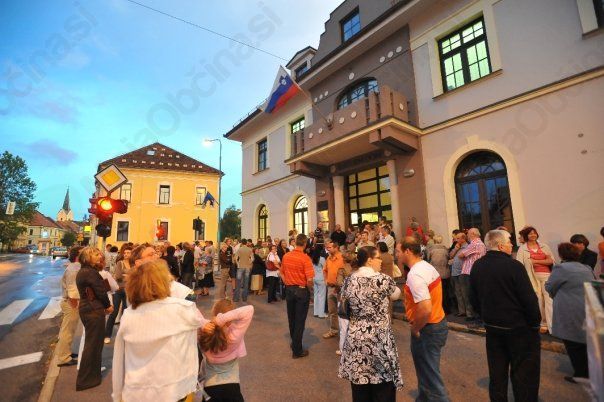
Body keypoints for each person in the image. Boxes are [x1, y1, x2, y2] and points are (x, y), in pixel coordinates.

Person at [111, 259, 203, 402]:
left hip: (136, 391)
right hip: (175, 390)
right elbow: (201, 326)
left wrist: (117, 395)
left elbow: (119, 358)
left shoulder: (128, 315)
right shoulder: (182, 309)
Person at [470, 230, 541, 402]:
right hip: (519, 328)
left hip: (493, 327)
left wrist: (485, 316)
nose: (511, 245)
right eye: (509, 242)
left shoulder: (478, 265)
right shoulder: (514, 266)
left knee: (497, 372)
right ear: (501, 246)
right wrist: (535, 323)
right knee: (524, 373)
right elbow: (528, 298)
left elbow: (473, 297)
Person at [339, 246, 402, 401]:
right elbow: (396, 294)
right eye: (378, 258)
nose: (381, 261)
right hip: (379, 339)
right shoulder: (383, 280)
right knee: (383, 385)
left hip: (356, 338)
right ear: (369, 260)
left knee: (360, 386)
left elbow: (344, 301)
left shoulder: (349, 280)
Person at [398, 238, 449, 401]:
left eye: (398, 251)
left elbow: (425, 308)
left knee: (431, 379)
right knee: (427, 374)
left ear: (407, 251)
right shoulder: (426, 266)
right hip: (436, 323)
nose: (397, 255)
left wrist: (415, 328)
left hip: (428, 328)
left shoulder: (415, 274)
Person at [545, 243, 595, 383]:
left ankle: (581, 374)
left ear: (561, 255)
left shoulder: (561, 268)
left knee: (572, 342)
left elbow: (550, 286)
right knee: (584, 340)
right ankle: (589, 371)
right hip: (586, 306)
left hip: (569, 308)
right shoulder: (586, 268)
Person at [199, 300, 254, 401]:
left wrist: (204, 323)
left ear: (213, 313)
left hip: (210, 389)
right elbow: (249, 309)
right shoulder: (234, 336)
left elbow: (192, 314)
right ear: (231, 317)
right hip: (232, 388)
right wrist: (221, 320)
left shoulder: (204, 333)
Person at [75, 247, 113, 391]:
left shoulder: (86, 271)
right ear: (87, 257)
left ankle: (90, 377)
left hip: (89, 309)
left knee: (93, 344)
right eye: (96, 254)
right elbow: (100, 291)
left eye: (99, 254)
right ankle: (86, 380)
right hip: (93, 310)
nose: (100, 256)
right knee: (93, 345)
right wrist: (108, 306)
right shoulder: (89, 272)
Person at [516, 226, 555, 333]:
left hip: (546, 275)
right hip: (532, 277)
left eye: (534, 233)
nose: (533, 235)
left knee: (549, 300)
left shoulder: (544, 246)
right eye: (530, 233)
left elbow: (551, 261)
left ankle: (552, 326)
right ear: (526, 236)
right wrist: (543, 261)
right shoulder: (522, 249)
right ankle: (542, 323)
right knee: (538, 300)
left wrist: (534, 261)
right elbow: (520, 265)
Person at [280, 233, 314, 358]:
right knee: (300, 320)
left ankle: (294, 343)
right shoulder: (305, 258)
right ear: (305, 244)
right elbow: (309, 279)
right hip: (301, 290)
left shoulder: (286, 256)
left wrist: (288, 283)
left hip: (289, 290)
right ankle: (297, 350)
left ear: (295, 242)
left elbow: (281, 273)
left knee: (292, 318)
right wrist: (309, 289)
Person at [56, 246, 84, 367]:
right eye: (83, 253)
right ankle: (64, 358)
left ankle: (65, 353)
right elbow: (72, 287)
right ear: (78, 255)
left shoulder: (74, 267)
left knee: (68, 330)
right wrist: (74, 301)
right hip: (72, 302)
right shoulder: (74, 268)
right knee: (67, 331)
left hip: (71, 301)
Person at [457, 228, 486, 322]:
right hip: (476, 271)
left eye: (468, 234)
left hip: (468, 272)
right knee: (476, 294)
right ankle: (477, 315)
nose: (467, 235)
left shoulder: (475, 244)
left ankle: (472, 315)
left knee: (468, 295)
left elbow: (461, 255)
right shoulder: (481, 244)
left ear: (473, 234)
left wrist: (463, 255)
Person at [104, 246, 132, 344]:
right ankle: (107, 335)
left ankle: (123, 335)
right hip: (119, 289)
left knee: (125, 312)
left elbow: (136, 276)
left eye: (128, 253)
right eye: (125, 253)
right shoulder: (120, 263)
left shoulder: (133, 264)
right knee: (114, 312)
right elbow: (119, 276)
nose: (126, 254)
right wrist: (130, 276)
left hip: (129, 290)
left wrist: (127, 275)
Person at [323, 241, 344, 339]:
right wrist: (326, 280)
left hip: (340, 289)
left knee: (343, 311)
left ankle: (345, 333)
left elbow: (346, 273)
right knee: (332, 311)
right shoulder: (328, 258)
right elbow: (325, 270)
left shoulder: (342, 258)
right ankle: (333, 330)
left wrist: (340, 286)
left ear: (336, 247)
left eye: (330, 247)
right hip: (330, 287)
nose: (328, 249)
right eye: (327, 247)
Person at [428, 235, 451, 315]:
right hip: (445, 273)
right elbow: (448, 258)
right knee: (446, 292)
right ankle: (447, 309)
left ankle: (438, 309)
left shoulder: (431, 250)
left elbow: (428, 259)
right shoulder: (445, 250)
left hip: (435, 274)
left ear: (434, 240)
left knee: (436, 293)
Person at [449, 232, 468, 317]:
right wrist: (455, 249)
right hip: (455, 272)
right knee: (458, 293)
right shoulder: (457, 246)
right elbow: (450, 256)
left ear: (463, 239)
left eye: (458, 238)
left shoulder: (467, 247)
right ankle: (461, 311)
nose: (456, 240)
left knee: (464, 293)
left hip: (462, 272)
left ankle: (469, 312)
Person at [312, 251, 327, 318]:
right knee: (321, 296)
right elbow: (325, 268)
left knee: (316, 295)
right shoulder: (322, 259)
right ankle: (321, 314)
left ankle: (316, 312)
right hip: (321, 278)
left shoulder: (313, 258)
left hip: (314, 278)